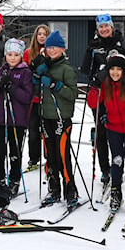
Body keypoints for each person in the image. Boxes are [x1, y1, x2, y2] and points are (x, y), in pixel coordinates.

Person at [81, 13, 125, 188]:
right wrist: (88, 51)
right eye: (101, 27)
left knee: (119, 130)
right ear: (97, 30)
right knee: (101, 132)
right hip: (100, 93)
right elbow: (85, 69)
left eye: (106, 26)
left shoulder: (122, 42)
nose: (104, 29)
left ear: (112, 27)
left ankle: (122, 168)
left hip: (119, 94)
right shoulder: (94, 45)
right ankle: (106, 170)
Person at [87, 53, 125, 213]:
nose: (115, 72)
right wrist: (95, 85)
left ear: (124, 71)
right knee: (117, 161)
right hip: (113, 128)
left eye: (118, 69)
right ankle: (116, 192)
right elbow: (92, 103)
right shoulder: (106, 85)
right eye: (112, 69)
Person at [33, 30, 80, 206]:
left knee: (62, 155)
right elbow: (38, 92)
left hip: (62, 118)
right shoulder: (45, 66)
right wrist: (36, 79)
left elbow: (73, 94)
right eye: (49, 47)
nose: (51, 51)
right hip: (46, 117)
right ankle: (54, 189)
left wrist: (56, 85)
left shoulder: (66, 69)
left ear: (62, 49)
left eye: (55, 47)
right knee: (49, 155)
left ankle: (70, 190)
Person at [0, 37, 33, 196]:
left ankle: (14, 179)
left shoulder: (25, 72)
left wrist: (11, 87)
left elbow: (27, 97)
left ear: (20, 56)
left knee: (15, 151)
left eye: (16, 55)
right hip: (0, 118)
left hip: (17, 120)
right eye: (9, 54)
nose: (12, 58)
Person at [23, 24, 50, 171]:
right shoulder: (29, 52)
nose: (41, 36)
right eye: (39, 34)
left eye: (44, 34)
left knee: (47, 130)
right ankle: (33, 158)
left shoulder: (51, 51)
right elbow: (25, 73)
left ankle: (49, 158)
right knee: (33, 131)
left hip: (47, 97)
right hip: (33, 98)